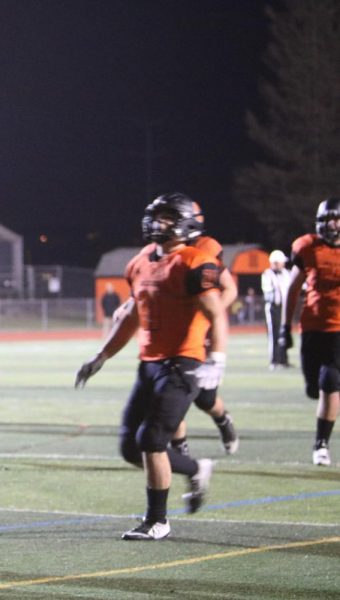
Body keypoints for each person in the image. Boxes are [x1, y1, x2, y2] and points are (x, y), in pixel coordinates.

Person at [75, 192, 227, 541]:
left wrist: (216, 359)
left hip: (183, 362)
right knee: (131, 447)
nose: (158, 224)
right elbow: (131, 315)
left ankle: (157, 520)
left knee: (152, 438)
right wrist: (101, 356)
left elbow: (215, 313)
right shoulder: (140, 261)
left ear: (187, 223)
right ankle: (196, 468)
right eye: (157, 217)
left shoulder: (195, 262)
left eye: (167, 218)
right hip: (150, 363)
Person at [170, 211, 239, 457]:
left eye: (169, 219)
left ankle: (222, 420)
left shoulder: (204, 250)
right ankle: (181, 450)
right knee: (170, 396)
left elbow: (229, 287)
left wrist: (212, 315)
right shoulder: (157, 250)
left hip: (199, 331)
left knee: (205, 399)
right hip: (169, 334)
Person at [280, 198, 340, 467]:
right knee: (313, 389)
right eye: (328, 220)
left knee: (330, 382)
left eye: (336, 219)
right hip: (312, 327)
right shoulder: (307, 247)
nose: (332, 225)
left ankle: (321, 444)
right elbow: (292, 288)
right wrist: (284, 328)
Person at [262, 249, 291, 369]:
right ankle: (274, 361)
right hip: (273, 307)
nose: (283, 264)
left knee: (283, 333)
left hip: (285, 307)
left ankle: (283, 360)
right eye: (281, 262)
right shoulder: (267, 274)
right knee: (274, 334)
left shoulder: (285, 273)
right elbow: (269, 292)